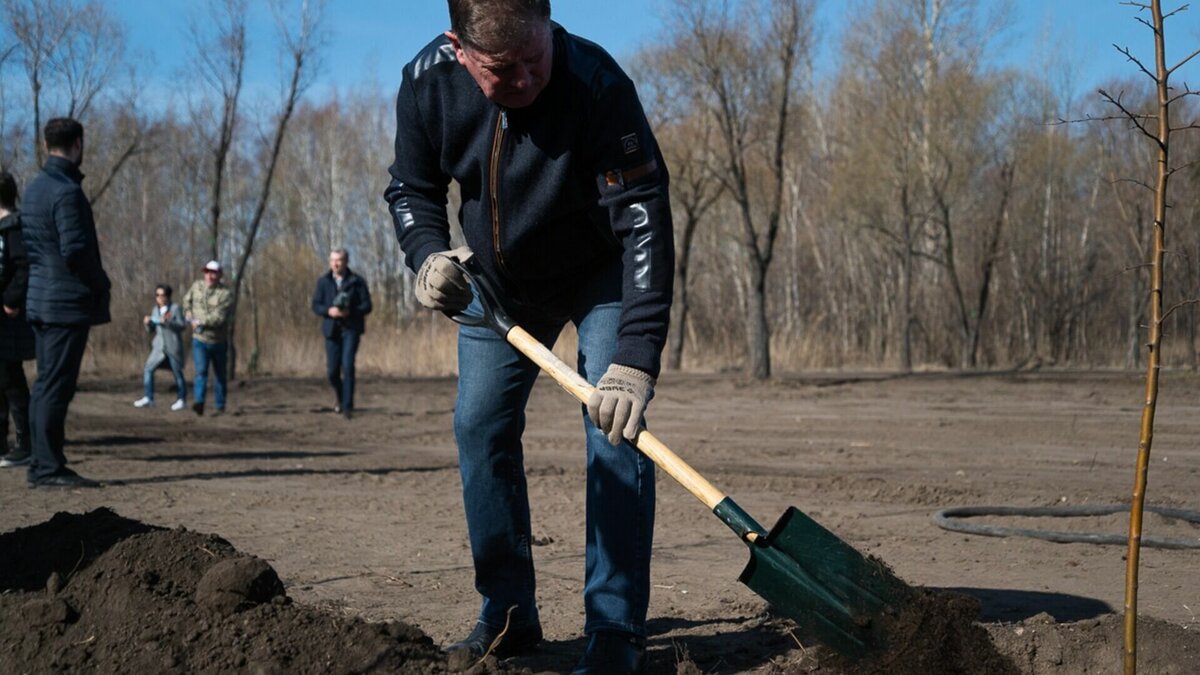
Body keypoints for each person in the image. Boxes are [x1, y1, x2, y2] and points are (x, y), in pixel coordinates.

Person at [384, 2, 674, 672]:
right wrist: (427, 254)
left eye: (535, 58)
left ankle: (615, 628)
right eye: (502, 68)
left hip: (598, 273)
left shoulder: (598, 85)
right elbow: (410, 188)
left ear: (550, 24)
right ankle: (507, 612)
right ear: (459, 49)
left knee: (613, 425)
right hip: (497, 286)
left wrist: (634, 357)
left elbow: (644, 223)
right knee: (478, 425)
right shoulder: (427, 82)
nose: (525, 79)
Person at [21, 117, 110, 488]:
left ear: (45, 146)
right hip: (64, 302)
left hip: (41, 298)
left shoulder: (34, 189)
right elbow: (75, 251)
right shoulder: (66, 192)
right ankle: (47, 467)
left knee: (46, 385)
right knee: (55, 386)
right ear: (78, 145)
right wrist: (99, 283)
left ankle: (45, 461)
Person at [311, 248, 372, 419]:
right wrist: (328, 311)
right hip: (331, 330)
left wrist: (350, 311)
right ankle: (340, 397)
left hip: (351, 329)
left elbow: (367, 305)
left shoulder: (357, 282)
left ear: (346, 261)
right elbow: (315, 305)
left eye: (339, 260)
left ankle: (347, 407)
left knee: (348, 366)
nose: (335, 264)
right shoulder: (323, 282)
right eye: (333, 260)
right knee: (332, 371)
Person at [0, 172, 35, 469]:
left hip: (9, 319)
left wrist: (10, 300)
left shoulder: (14, 227)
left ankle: (26, 444)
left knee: (11, 380)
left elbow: (24, 268)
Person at [182, 260, 232, 416]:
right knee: (201, 372)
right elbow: (186, 301)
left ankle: (220, 405)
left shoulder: (225, 294)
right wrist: (189, 315)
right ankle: (199, 402)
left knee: (219, 375)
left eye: (214, 272)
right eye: (208, 272)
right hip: (199, 340)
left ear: (219, 275)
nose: (210, 275)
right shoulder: (196, 286)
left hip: (218, 341)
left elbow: (219, 317)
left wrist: (201, 321)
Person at [133, 284, 188, 411]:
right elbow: (151, 330)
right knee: (148, 368)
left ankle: (182, 400)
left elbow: (182, 326)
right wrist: (147, 323)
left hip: (173, 348)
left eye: (162, 295)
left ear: (168, 296)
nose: (159, 298)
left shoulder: (175, 309)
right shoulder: (155, 310)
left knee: (177, 373)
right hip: (158, 349)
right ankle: (148, 397)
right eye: (157, 295)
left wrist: (168, 322)